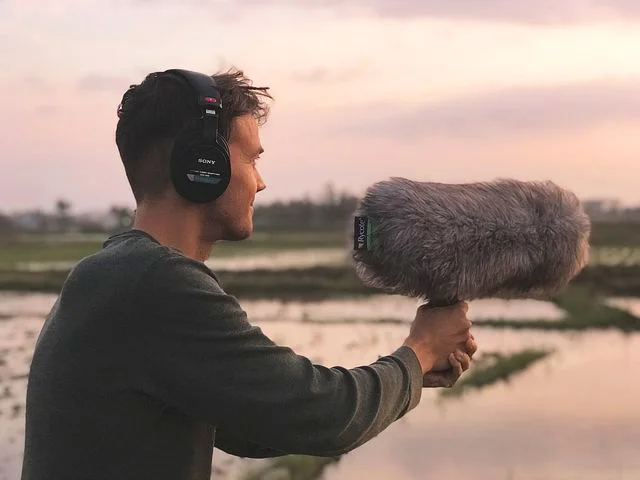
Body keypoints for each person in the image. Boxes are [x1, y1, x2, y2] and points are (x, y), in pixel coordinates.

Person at [21, 67, 477, 480]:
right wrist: (421, 349)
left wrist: (410, 375)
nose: (260, 182)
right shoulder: (154, 283)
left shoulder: (118, 274)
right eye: (252, 159)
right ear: (204, 165)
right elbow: (323, 415)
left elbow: (259, 423)